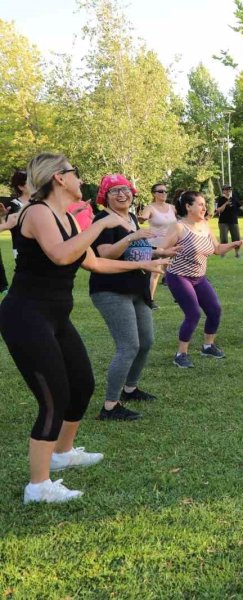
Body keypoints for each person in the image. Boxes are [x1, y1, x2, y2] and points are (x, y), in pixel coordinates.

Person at [0, 153, 166, 504]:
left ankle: (64, 453)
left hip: (56, 317)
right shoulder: (38, 212)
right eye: (75, 173)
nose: (80, 180)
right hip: (25, 317)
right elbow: (60, 254)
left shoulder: (68, 218)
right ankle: (38, 486)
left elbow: (92, 261)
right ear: (59, 178)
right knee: (53, 398)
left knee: (82, 384)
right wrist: (100, 225)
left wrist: (147, 263)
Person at [90, 174, 176, 421]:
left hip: (137, 286)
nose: (122, 194)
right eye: (115, 190)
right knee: (128, 346)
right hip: (110, 289)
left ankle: (130, 388)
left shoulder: (128, 217)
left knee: (146, 341)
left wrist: (160, 251)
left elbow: (134, 251)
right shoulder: (103, 220)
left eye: (126, 190)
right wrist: (131, 236)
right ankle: (109, 406)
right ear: (105, 196)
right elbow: (105, 254)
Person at [159, 191, 243, 368]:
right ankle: (181, 354)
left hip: (199, 277)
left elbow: (217, 249)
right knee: (193, 314)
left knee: (215, 310)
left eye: (205, 204)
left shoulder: (205, 225)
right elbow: (160, 249)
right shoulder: (179, 227)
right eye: (200, 204)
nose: (205, 208)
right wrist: (167, 253)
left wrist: (235, 244)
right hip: (179, 276)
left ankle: (208, 346)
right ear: (188, 206)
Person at [140, 181, 178, 306]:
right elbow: (144, 217)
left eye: (165, 191)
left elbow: (181, 219)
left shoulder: (172, 207)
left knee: (172, 271)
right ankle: (150, 300)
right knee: (156, 272)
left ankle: (179, 296)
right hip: (155, 245)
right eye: (160, 191)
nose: (164, 193)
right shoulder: (150, 207)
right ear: (154, 194)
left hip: (170, 244)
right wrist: (143, 218)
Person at [214, 185, 243, 258]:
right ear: (223, 191)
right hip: (223, 222)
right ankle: (223, 254)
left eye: (230, 190)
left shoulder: (234, 199)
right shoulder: (221, 199)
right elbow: (219, 210)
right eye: (227, 190)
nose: (228, 191)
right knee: (224, 239)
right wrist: (226, 203)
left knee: (236, 238)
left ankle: (237, 253)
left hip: (234, 221)